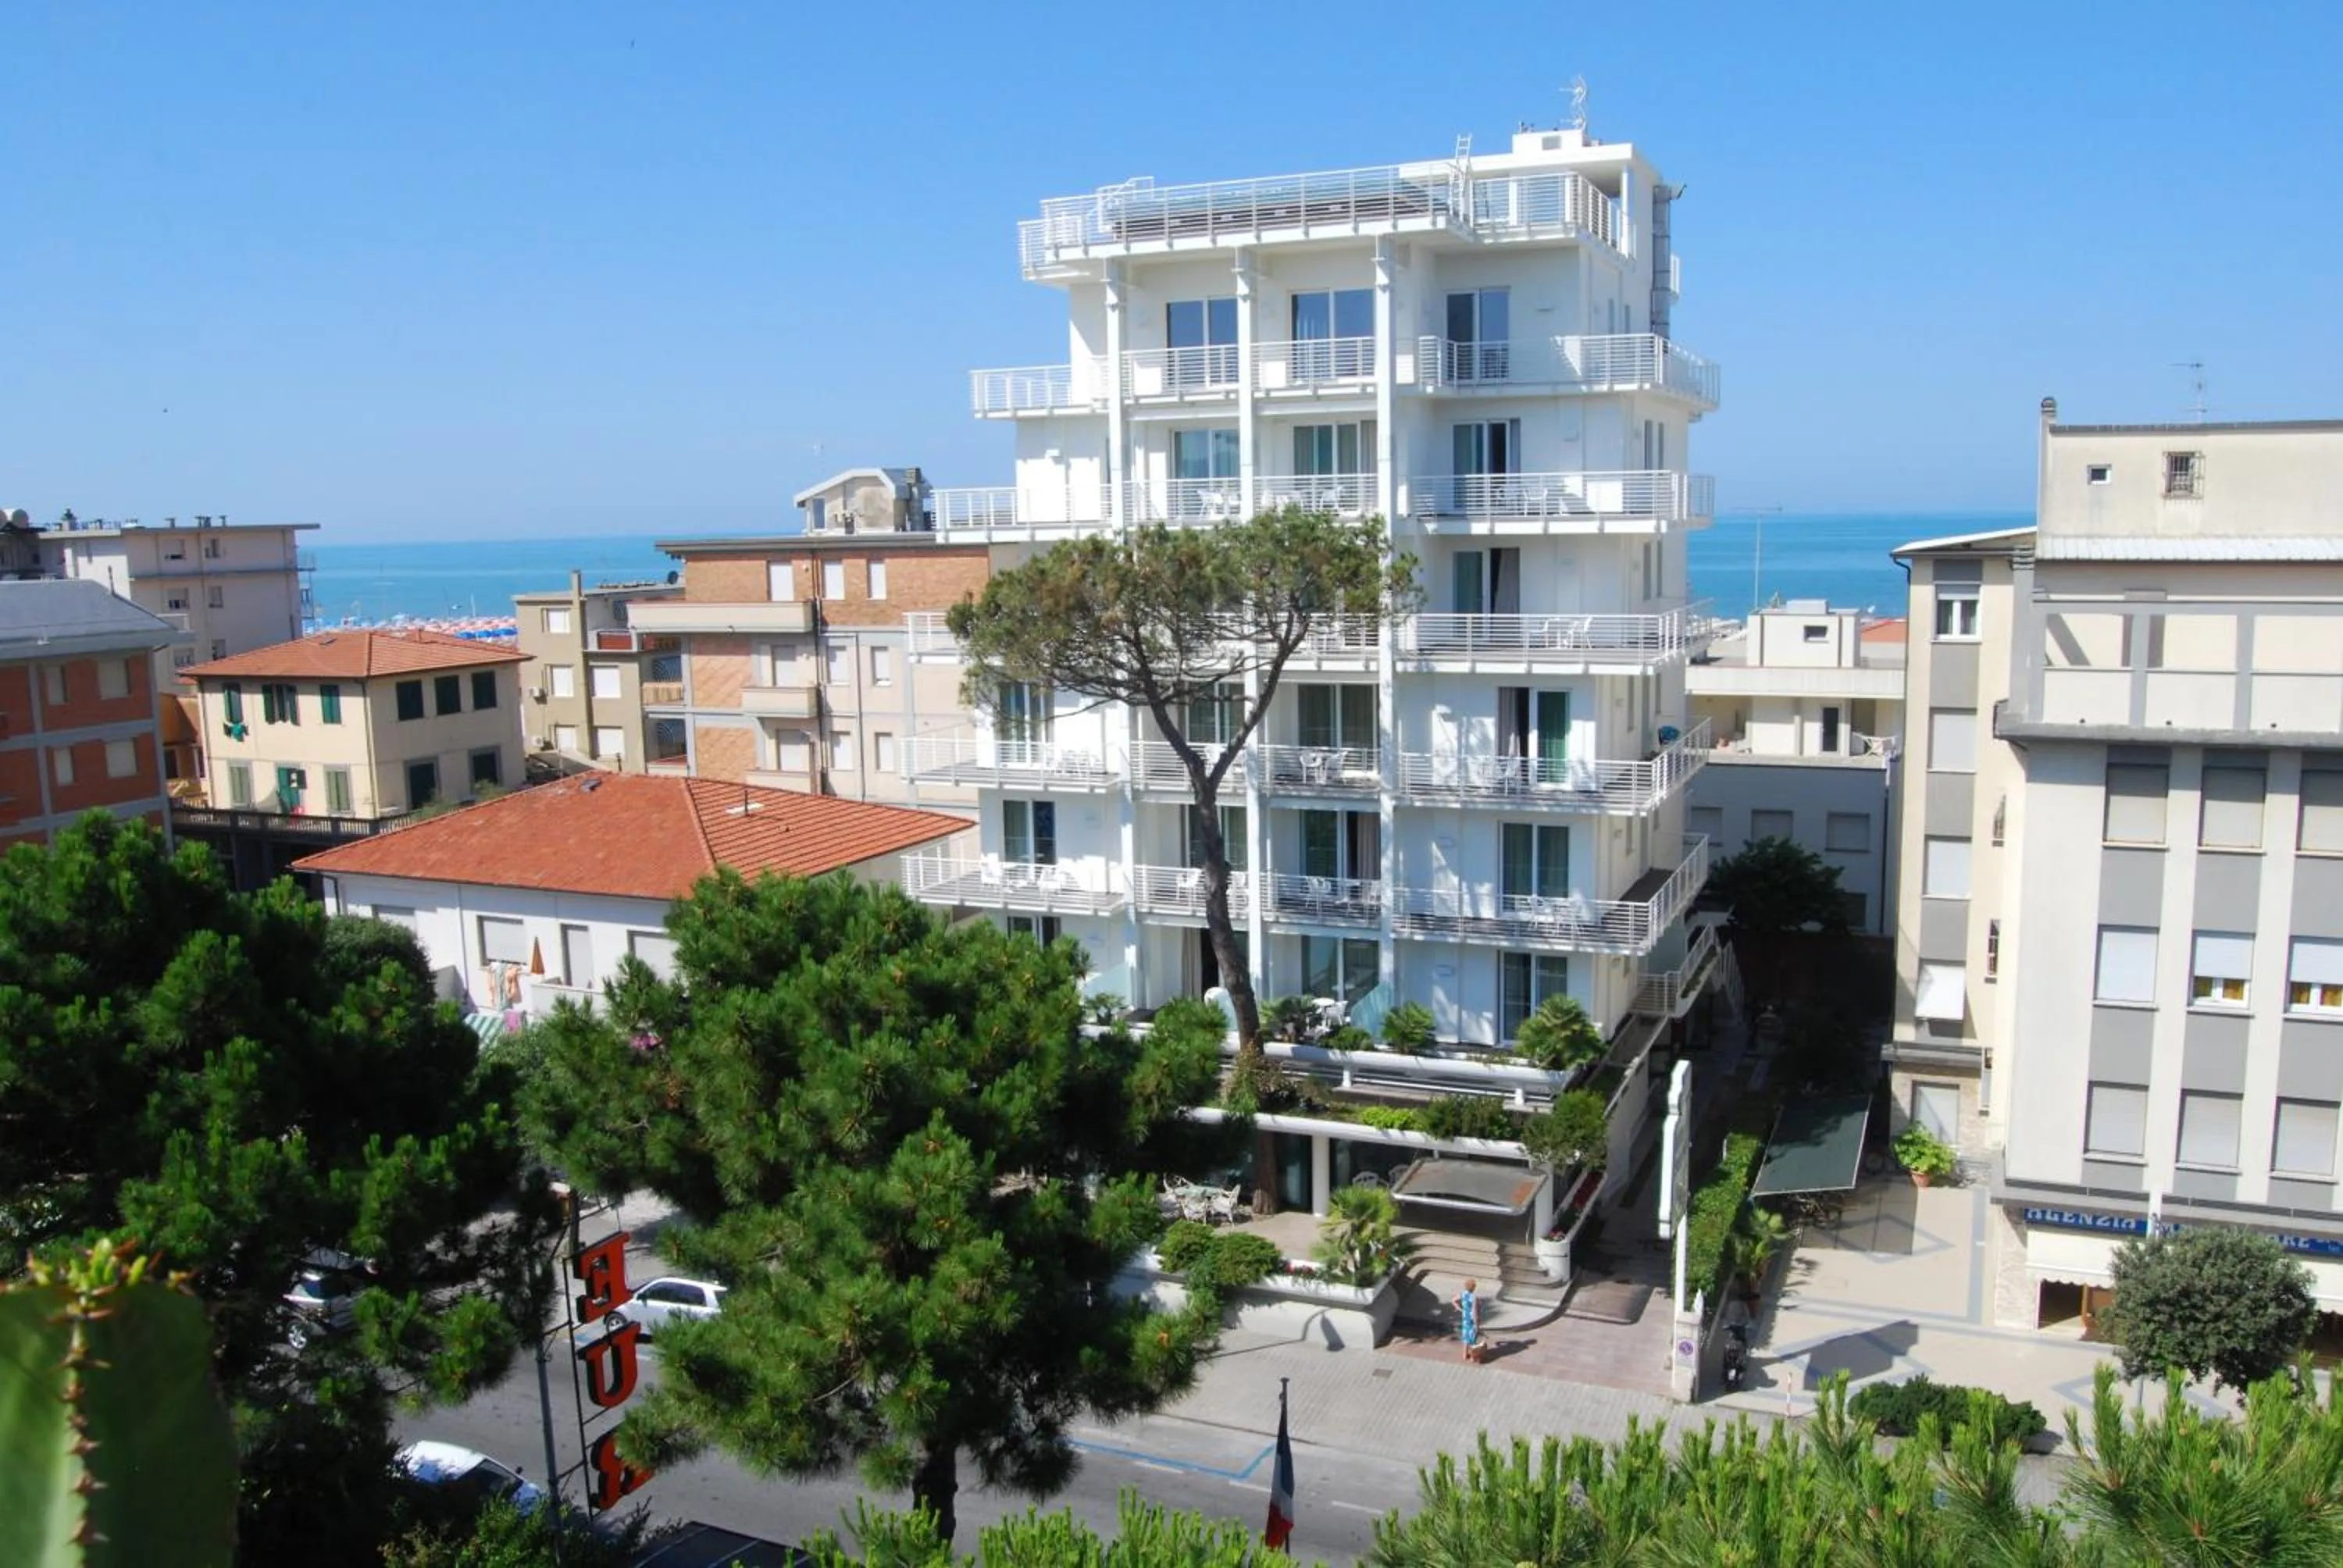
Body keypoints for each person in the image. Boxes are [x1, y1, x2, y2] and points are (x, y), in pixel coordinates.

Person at [1454, 1278, 1482, 1364]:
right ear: (1473, 1287)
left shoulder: (1463, 1294)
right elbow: (1474, 1313)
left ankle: (1464, 1355)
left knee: (1466, 1337)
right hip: (1471, 1320)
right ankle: (1473, 1357)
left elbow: (1454, 1300)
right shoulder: (1474, 1298)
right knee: (1473, 1339)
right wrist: (1477, 1325)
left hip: (1465, 1319)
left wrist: (1460, 1309)